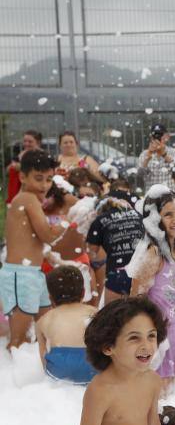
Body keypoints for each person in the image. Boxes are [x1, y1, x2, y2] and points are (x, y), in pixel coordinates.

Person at [76, 297, 167, 425]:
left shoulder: (152, 380)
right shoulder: (100, 391)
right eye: (134, 338)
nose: (147, 346)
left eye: (151, 336)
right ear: (108, 347)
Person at [1, 150, 74, 349]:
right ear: (23, 177)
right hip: (21, 275)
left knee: (44, 330)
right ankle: (15, 378)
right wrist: (68, 221)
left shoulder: (27, 199)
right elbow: (48, 236)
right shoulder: (27, 199)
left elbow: (31, 241)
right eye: (39, 178)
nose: (44, 185)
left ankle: (37, 376)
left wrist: (55, 259)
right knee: (20, 340)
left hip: (29, 273)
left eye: (49, 179)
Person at [129, 189, 175, 391]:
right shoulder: (153, 252)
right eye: (168, 214)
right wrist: (145, 337)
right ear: (156, 219)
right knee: (159, 393)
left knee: (171, 389)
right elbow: (136, 299)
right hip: (158, 334)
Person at [35, 265, 98, 384]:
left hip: (59, 369)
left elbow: (43, 355)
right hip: (92, 366)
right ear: (84, 293)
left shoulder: (43, 320)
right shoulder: (94, 312)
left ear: (50, 298)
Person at [87, 196, 144, 303]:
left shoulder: (100, 220)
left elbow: (91, 254)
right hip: (144, 271)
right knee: (143, 314)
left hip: (119, 273)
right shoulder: (138, 215)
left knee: (114, 316)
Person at [138, 124, 175, 192]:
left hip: (170, 194)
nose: (157, 138)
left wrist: (164, 154)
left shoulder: (174, 152)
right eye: (155, 136)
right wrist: (147, 158)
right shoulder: (144, 154)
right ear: (151, 137)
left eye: (160, 135)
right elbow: (140, 174)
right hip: (152, 195)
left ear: (167, 137)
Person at [6, 129, 42, 204]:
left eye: (30, 142)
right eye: (25, 141)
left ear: (38, 143)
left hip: (34, 190)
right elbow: (8, 170)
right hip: (17, 188)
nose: (26, 144)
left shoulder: (41, 155)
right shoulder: (21, 154)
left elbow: (36, 170)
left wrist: (19, 166)